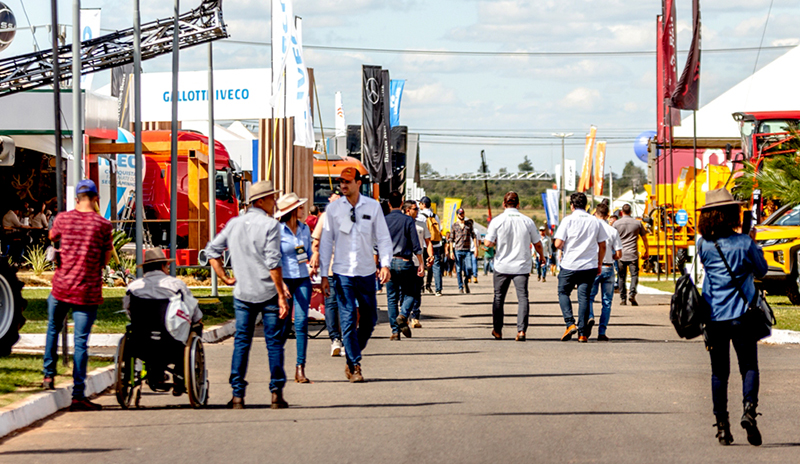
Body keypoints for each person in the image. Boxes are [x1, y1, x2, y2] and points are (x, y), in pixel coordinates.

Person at [205, 180, 290, 410]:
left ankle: (237, 395)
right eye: (271, 198)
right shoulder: (271, 225)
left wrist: (224, 277)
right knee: (274, 343)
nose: (274, 202)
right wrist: (281, 294)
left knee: (242, 343)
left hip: (243, 292)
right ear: (260, 201)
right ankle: (276, 393)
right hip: (267, 292)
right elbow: (273, 263)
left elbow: (211, 251)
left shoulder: (234, 224)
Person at [697, 189, 768, 446]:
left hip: (713, 315)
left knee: (719, 373)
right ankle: (749, 410)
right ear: (731, 214)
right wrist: (753, 244)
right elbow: (761, 270)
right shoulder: (745, 243)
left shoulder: (703, 244)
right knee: (748, 366)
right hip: (742, 314)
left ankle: (722, 428)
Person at [42, 180, 113, 411]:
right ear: (96, 198)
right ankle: (78, 395)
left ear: (76, 199)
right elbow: (106, 258)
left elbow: (52, 236)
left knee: (53, 329)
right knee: (80, 342)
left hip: (61, 287)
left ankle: (48, 375)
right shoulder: (103, 225)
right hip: (87, 290)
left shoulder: (63, 219)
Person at [319, 167, 393, 382]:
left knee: (369, 320)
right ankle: (354, 364)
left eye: (347, 181)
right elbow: (326, 242)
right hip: (342, 272)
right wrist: (324, 274)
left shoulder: (372, 206)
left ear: (358, 183)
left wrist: (385, 264)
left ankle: (353, 352)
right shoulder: (333, 209)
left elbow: (383, 237)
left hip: (366, 272)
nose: (343, 185)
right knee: (349, 317)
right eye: (341, 181)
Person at [123, 248, 202, 395]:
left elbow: (128, 309)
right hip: (172, 342)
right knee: (194, 327)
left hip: (141, 342)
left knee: (144, 335)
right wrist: (197, 320)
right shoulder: (176, 285)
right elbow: (193, 310)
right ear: (162, 266)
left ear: (145, 268)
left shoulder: (134, 287)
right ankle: (180, 374)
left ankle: (156, 374)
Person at [484, 192, 544, 341]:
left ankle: (497, 330)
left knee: (499, 297)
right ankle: (521, 330)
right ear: (518, 204)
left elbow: (488, 243)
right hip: (521, 266)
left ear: (504, 204)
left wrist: (493, 242)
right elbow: (537, 243)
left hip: (502, 266)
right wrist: (542, 256)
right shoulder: (527, 221)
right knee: (523, 297)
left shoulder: (497, 221)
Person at [554, 192, 607, 343]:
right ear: (586, 206)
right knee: (584, 297)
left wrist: (566, 246)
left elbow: (558, 243)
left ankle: (570, 323)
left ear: (572, 206)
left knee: (563, 292)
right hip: (589, 265)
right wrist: (599, 263)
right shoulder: (595, 221)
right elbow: (602, 245)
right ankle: (582, 333)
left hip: (569, 264)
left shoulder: (568, 220)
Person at [275, 192, 313, 384]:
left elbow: (305, 254)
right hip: (284, 280)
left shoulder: (304, 229)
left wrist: (313, 262)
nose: (302, 209)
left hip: (302, 279)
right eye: (299, 207)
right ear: (291, 211)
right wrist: (280, 284)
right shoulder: (278, 231)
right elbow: (273, 259)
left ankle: (300, 367)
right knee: (282, 325)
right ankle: (277, 366)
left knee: (301, 322)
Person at [309, 189, 346, 357]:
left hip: (333, 268)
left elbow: (315, 242)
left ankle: (336, 339)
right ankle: (342, 339)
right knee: (343, 304)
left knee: (332, 304)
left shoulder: (325, 217)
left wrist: (315, 257)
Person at [383, 191, 424, 340]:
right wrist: (421, 262)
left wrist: (379, 265)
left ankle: (395, 331)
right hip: (405, 261)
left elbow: (377, 243)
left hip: (388, 262)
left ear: (389, 204)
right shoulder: (408, 220)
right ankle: (403, 315)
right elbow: (415, 243)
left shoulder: (384, 220)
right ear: (402, 203)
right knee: (411, 293)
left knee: (391, 298)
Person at [588, 203, 622, 341]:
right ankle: (602, 332)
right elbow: (619, 254)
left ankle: (590, 316)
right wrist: (611, 256)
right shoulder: (612, 231)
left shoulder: (591, 229)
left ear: (595, 214)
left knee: (589, 297)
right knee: (607, 302)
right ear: (608, 216)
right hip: (608, 267)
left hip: (593, 267)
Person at [613, 204, 648, 306]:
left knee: (621, 277)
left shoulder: (616, 224)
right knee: (634, 275)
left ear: (621, 212)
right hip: (633, 254)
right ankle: (632, 293)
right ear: (631, 212)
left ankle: (623, 298)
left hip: (621, 254)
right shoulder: (637, 223)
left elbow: (612, 238)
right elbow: (644, 239)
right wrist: (647, 251)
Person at [406, 200, 433, 328]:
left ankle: (415, 317)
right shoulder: (402, 223)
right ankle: (404, 314)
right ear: (407, 210)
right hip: (404, 261)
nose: (417, 211)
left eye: (417, 208)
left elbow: (428, 242)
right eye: (415, 209)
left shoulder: (422, 224)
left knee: (417, 290)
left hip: (418, 262)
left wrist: (430, 255)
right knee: (404, 291)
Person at [418, 197, 443, 296]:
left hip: (424, 244)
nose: (419, 205)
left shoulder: (420, 216)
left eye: (420, 203)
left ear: (423, 204)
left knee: (420, 264)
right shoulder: (435, 216)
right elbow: (439, 229)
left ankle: (420, 286)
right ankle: (438, 289)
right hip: (436, 243)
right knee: (435, 266)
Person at [451, 208, 473, 293]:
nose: (462, 215)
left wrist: (476, 247)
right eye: (460, 214)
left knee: (469, 268)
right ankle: (460, 287)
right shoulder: (454, 225)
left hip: (467, 250)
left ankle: (466, 281)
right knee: (458, 269)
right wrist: (451, 251)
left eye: (463, 213)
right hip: (458, 250)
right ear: (457, 215)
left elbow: (473, 235)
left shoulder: (468, 224)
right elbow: (451, 239)